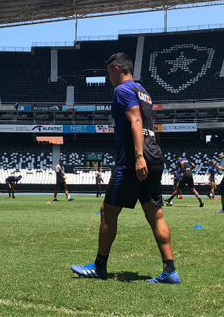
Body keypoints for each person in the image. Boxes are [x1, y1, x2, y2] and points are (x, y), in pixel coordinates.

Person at [71, 52, 179, 284]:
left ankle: (99, 266)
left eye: (110, 73)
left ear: (118, 69)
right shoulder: (144, 92)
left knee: (108, 211)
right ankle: (170, 271)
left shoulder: (122, 90)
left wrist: (138, 156)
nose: (109, 78)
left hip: (133, 160)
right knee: (155, 214)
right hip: (155, 154)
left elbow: (136, 120)